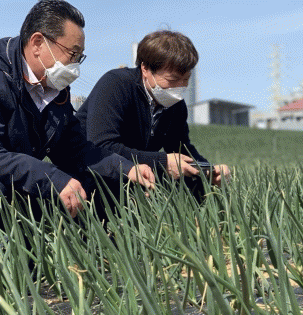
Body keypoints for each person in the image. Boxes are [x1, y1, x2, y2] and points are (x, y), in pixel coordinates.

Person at [0, 0, 155, 255]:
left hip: (1, 187)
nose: (75, 67)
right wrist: (53, 179)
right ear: (38, 43)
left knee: (87, 185)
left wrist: (125, 167)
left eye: (79, 57)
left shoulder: (53, 92)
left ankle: (92, 255)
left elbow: (75, 149)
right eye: (71, 54)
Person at [75, 30, 230, 194]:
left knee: (191, 184)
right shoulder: (116, 84)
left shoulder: (176, 105)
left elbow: (180, 149)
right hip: (88, 171)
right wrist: (162, 162)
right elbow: (102, 146)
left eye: (186, 80)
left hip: (135, 174)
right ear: (145, 69)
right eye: (172, 80)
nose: (179, 87)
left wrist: (209, 169)